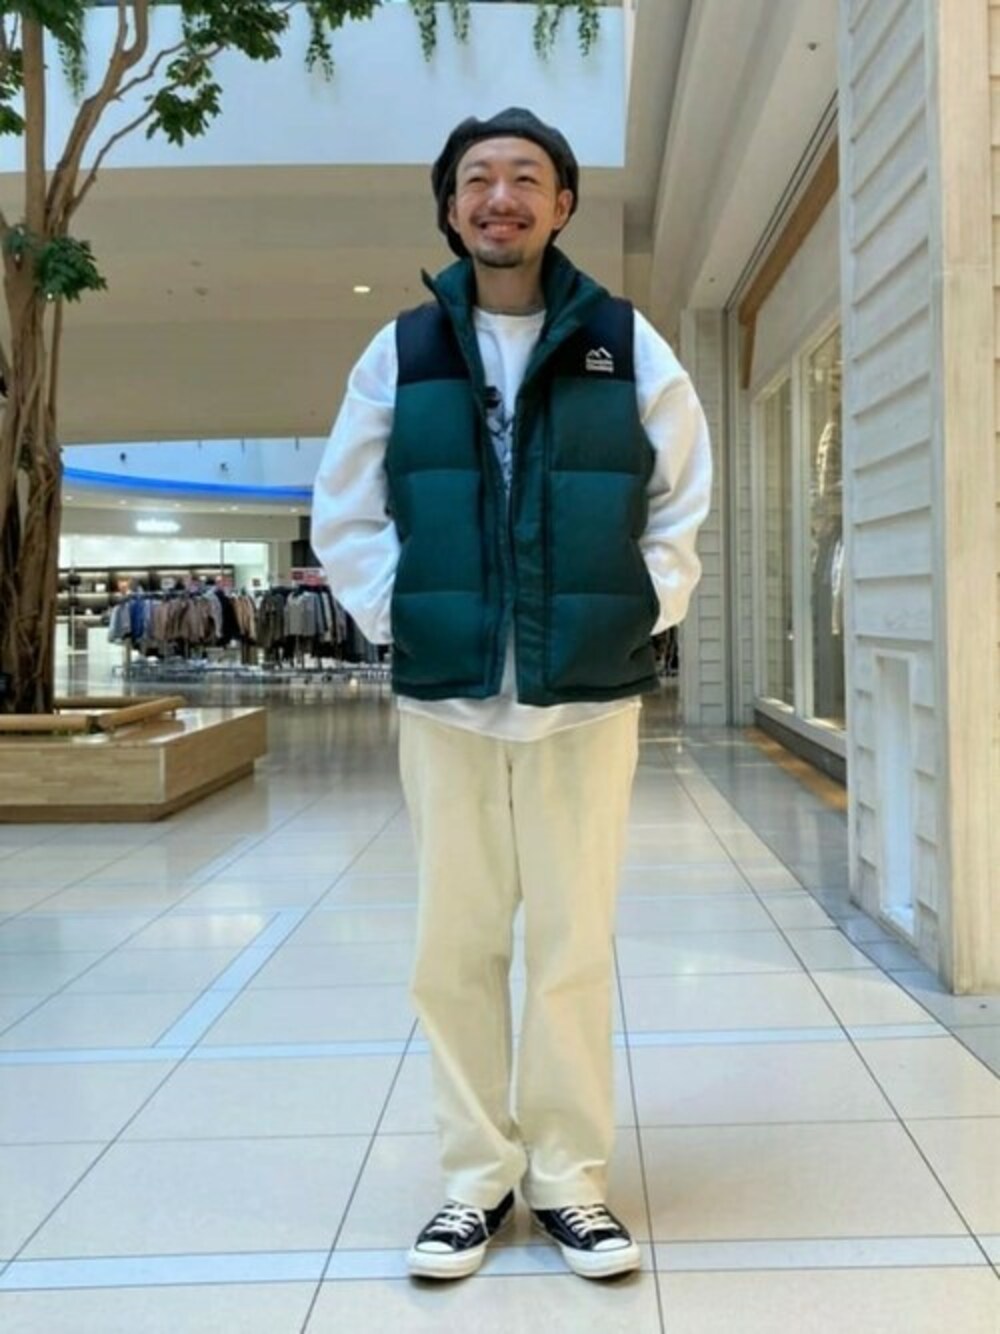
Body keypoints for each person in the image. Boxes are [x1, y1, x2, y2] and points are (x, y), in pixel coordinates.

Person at [312, 107, 712, 1283]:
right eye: (477, 179)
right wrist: (406, 616)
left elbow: (681, 498)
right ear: (450, 207)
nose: (501, 197)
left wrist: (637, 608)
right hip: (447, 698)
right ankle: (475, 1180)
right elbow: (345, 508)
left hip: (583, 695)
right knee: (455, 946)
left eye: (525, 178)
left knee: (572, 945)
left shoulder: (623, 342)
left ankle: (569, 1179)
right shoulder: (402, 350)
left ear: (562, 204)